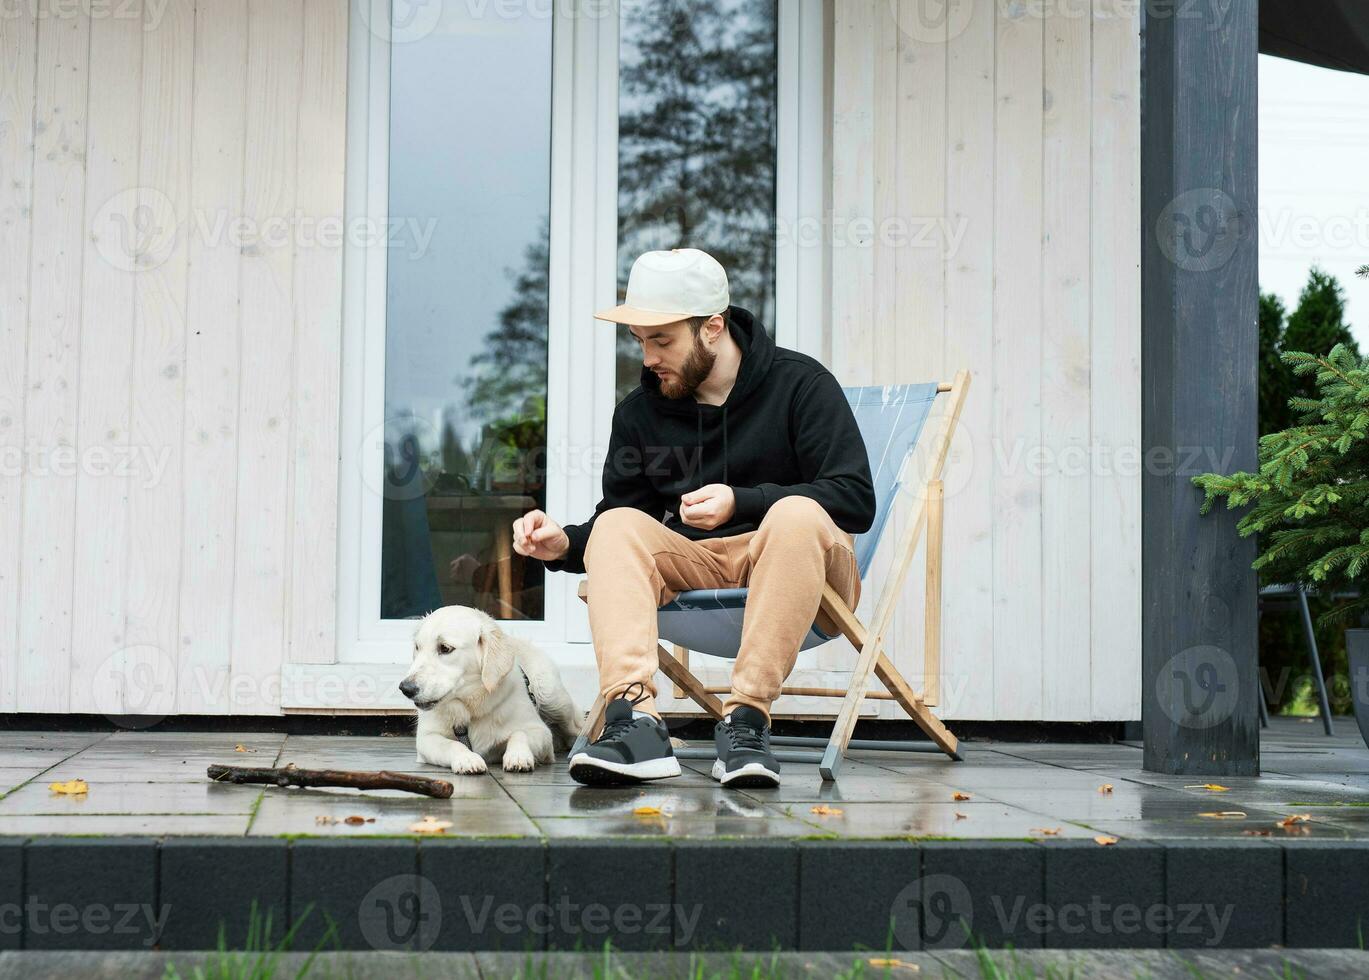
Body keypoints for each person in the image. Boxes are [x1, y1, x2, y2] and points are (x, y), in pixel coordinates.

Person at [511, 248, 875, 788]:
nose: (648, 356)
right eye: (639, 340)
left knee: (796, 514)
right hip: (697, 565)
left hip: (804, 569)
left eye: (662, 340)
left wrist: (744, 501)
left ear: (712, 327)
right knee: (614, 528)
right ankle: (635, 720)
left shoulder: (800, 385)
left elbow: (853, 498)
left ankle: (748, 719)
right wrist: (564, 542)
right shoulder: (641, 413)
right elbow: (623, 517)